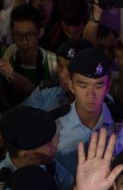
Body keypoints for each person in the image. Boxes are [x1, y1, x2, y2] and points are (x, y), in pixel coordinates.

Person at [49, 47, 115, 176]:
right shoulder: (53, 127)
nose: (91, 95)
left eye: (99, 85)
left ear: (108, 86)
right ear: (71, 86)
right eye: (83, 85)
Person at [0, 104, 73, 190]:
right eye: (48, 142)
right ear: (26, 155)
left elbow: (68, 187)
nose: (57, 141)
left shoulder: (46, 161)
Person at [0, 3, 58, 103]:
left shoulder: (52, 63)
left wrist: (12, 75)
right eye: (18, 35)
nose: (24, 41)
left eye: (30, 35)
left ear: (41, 32)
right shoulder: (6, 56)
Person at [20, 36, 92, 111]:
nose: (62, 74)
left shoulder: (101, 101)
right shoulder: (45, 93)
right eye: (60, 65)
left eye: (71, 67)